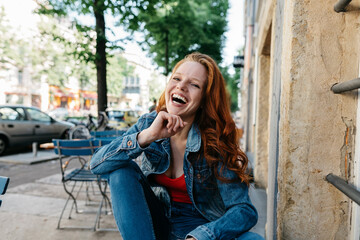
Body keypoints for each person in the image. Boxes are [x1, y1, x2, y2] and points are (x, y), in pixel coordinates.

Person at [90, 52, 264, 240]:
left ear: (205, 99)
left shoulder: (214, 140)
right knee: (120, 170)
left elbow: (244, 210)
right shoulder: (148, 124)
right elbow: (97, 164)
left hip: (200, 231)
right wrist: (147, 136)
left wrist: (201, 236)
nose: (181, 86)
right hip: (154, 226)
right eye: (177, 78)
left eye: (194, 84)